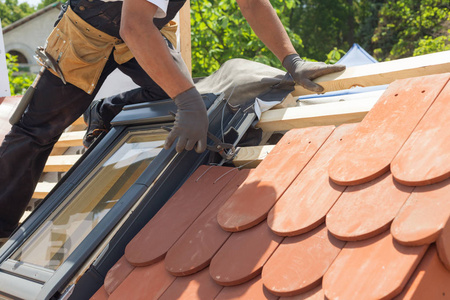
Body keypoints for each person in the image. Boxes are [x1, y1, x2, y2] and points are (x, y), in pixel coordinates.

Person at [0, 0, 345, 240]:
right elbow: (133, 26)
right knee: (36, 131)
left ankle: (104, 112)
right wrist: (189, 102)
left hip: (140, 26)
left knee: (171, 96)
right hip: (89, 30)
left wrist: (292, 61)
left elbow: (252, 3)